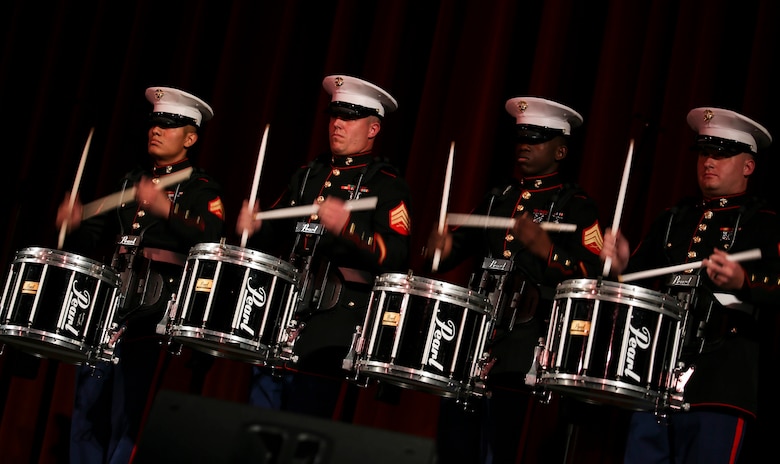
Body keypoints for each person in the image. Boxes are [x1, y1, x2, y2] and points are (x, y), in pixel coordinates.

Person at [426, 96, 604, 463]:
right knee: (456, 446)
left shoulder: (577, 205)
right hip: (476, 341)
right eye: (521, 137)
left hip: (528, 348)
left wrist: (545, 249)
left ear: (560, 151)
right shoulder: (499, 197)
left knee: (506, 448)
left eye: (536, 139)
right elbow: (447, 256)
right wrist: (438, 248)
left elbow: (593, 276)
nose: (524, 145)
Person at [600, 106, 780, 463]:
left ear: (748, 166)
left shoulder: (765, 222)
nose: (709, 161)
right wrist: (619, 265)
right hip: (654, 376)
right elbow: (636, 284)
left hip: (720, 385)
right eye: (704, 152)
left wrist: (744, 281)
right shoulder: (674, 218)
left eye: (722, 153)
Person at [56, 86, 226, 463]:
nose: (157, 130)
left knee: (128, 415)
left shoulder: (201, 188)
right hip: (109, 306)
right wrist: (74, 224)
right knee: (87, 409)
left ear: (191, 137)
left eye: (168, 125)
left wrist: (168, 211)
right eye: (155, 123)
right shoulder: (132, 180)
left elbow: (213, 237)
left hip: (153, 311)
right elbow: (95, 237)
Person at [236, 74, 412, 419]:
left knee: (303, 425)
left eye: (349, 117)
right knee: (257, 423)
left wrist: (349, 230)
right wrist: (255, 226)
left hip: (336, 325)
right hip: (283, 314)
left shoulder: (386, 185)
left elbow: (397, 257)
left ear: (373, 129)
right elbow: (278, 233)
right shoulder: (309, 175)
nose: (337, 124)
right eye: (335, 116)